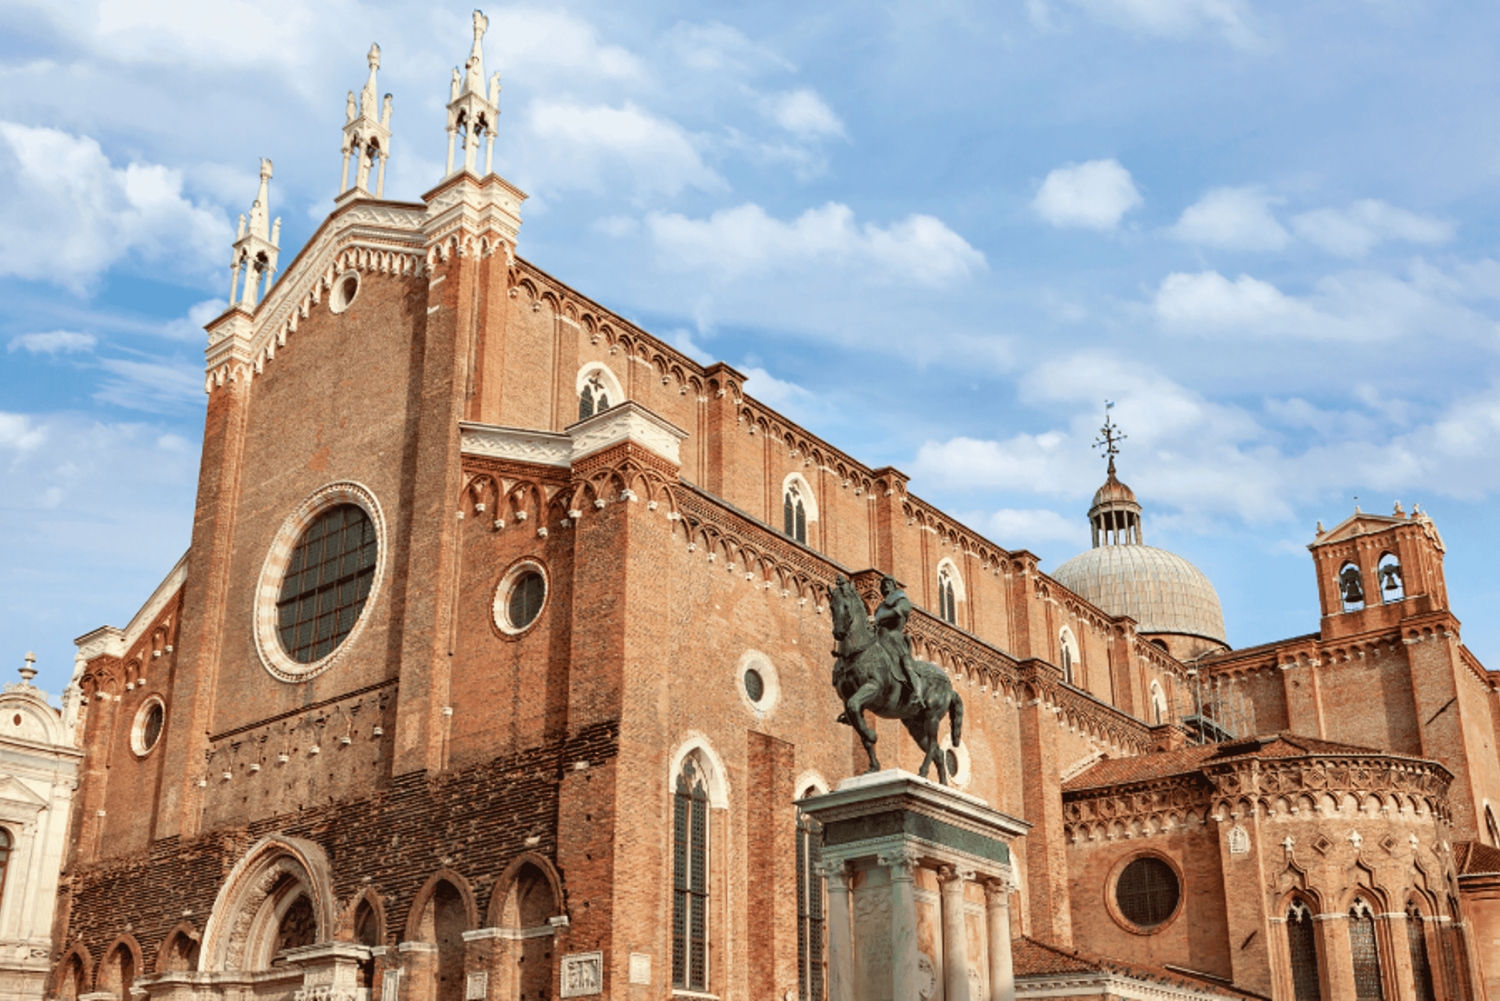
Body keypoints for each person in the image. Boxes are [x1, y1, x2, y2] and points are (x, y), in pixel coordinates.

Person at [874, 576, 925, 708]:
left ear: (894, 585)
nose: (885, 586)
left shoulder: (901, 599)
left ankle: (918, 693)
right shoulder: (881, 605)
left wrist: (880, 618)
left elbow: (901, 611)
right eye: (883, 584)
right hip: (880, 635)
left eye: (888, 583)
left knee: (906, 664)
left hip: (894, 636)